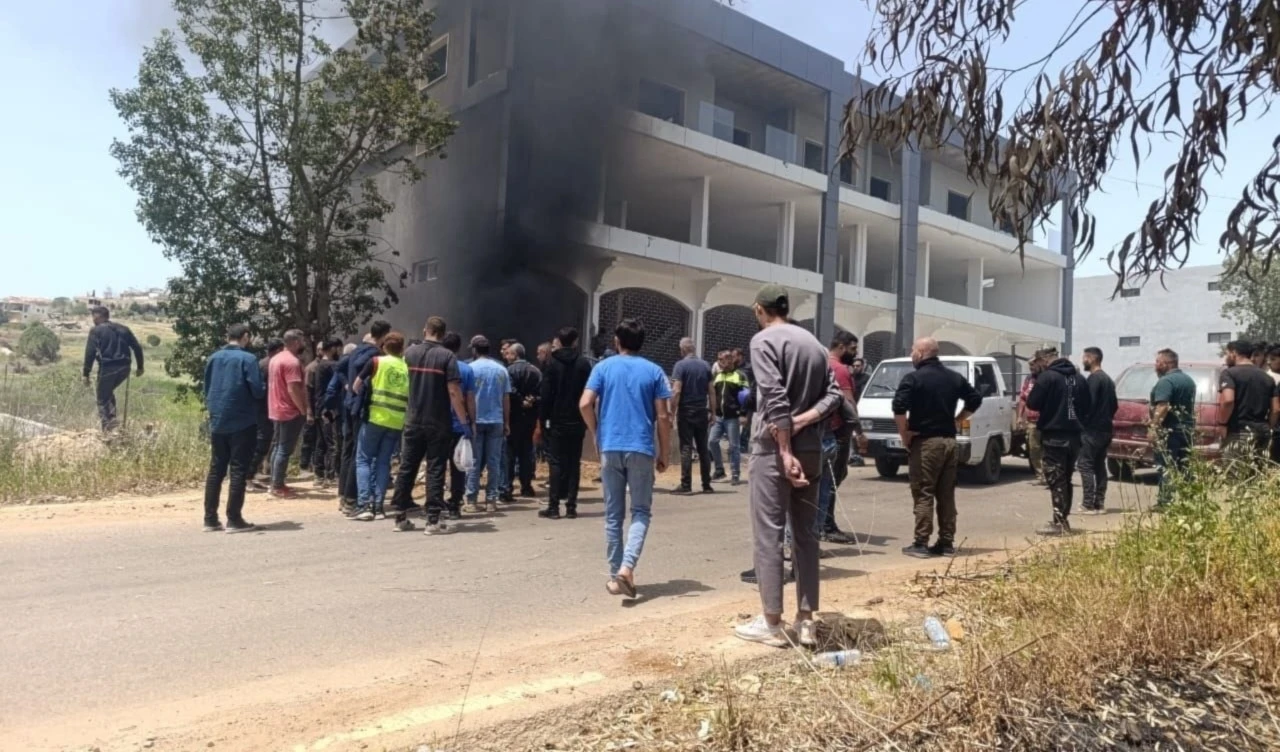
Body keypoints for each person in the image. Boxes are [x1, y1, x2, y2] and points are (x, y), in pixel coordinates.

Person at [734, 286, 843, 648]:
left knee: (768, 534)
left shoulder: (763, 341)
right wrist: (803, 421)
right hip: (812, 447)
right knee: (806, 535)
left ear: (759, 309)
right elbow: (833, 395)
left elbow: (773, 395)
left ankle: (772, 622)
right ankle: (807, 618)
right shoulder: (812, 342)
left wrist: (783, 447)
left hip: (773, 449)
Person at [581, 318, 672, 598]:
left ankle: (615, 574)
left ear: (617, 342)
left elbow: (585, 403)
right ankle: (627, 569)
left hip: (610, 446)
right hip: (641, 448)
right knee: (641, 512)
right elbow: (663, 416)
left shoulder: (603, 367)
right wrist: (664, 452)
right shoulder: (654, 371)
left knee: (613, 515)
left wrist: (597, 433)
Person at [891, 337, 983, 558]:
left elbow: (899, 408)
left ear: (922, 352)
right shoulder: (954, 378)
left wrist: (905, 435)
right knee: (946, 494)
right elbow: (975, 399)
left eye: (913, 350)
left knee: (924, 493)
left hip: (926, 444)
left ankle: (921, 543)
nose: (912, 354)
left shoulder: (913, 379)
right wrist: (958, 420)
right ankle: (946, 542)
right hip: (950, 443)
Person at [387, 318, 468, 534]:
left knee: (407, 466)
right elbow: (453, 391)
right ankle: (433, 520)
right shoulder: (447, 356)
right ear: (442, 333)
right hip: (438, 422)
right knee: (435, 468)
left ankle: (400, 516)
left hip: (412, 419)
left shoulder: (410, 354)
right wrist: (464, 421)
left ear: (426, 330)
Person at [201, 324, 266, 533]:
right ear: (245, 337)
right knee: (238, 470)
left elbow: (207, 387)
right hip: (242, 420)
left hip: (218, 420)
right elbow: (257, 389)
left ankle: (210, 519)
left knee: (216, 469)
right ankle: (234, 518)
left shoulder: (213, 358)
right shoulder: (248, 359)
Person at [1026, 346, 1092, 536]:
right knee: (1066, 479)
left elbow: (1033, 402)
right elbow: (1087, 406)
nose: (1037, 366)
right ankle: (1062, 520)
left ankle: (1060, 523)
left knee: (1056, 479)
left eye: (1038, 362)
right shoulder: (1078, 378)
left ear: (1045, 360)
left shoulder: (1048, 377)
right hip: (1074, 436)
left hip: (1054, 436)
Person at [330, 322, 390, 512]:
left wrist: (348, 385)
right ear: (384, 336)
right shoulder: (375, 356)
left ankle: (344, 496)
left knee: (349, 449)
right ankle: (351, 499)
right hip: (361, 408)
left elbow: (338, 368)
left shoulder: (356, 350)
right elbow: (365, 379)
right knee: (360, 453)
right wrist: (359, 389)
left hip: (349, 405)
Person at [349, 333, 409, 521]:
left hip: (375, 417)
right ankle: (379, 506)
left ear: (384, 347)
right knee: (384, 462)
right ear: (402, 348)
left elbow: (356, 386)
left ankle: (364, 505)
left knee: (363, 459)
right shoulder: (407, 366)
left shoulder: (376, 362)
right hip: (396, 421)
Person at [540, 327, 594, 519]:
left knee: (555, 463)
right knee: (574, 463)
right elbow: (590, 394)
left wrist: (543, 419)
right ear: (575, 341)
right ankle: (571, 506)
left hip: (556, 421)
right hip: (577, 421)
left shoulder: (552, 364)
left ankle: (553, 506)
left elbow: (545, 395)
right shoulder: (583, 364)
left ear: (559, 341)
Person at [817, 331, 862, 544]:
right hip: (838, 431)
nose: (855, 353)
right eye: (853, 349)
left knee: (825, 480)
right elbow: (849, 402)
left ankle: (822, 524)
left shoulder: (822, 364)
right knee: (832, 480)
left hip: (822, 429)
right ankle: (826, 525)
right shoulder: (840, 369)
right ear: (842, 347)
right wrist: (859, 432)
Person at [465, 336, 512, 514]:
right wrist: (507, 421)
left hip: (476, 420)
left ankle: (471, 500)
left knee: (474, 462)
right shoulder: (501, 370)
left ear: (475, 350)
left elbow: (467, 396)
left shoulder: (470, 369)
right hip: (496, 420)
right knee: (494, 461)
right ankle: (491, 500)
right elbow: (506, 398)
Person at [82, 306, 144, 432]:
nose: (92, 319)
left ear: (98, 316)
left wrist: (85, 373)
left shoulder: (96, 330)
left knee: (102, 398)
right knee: (107, 393)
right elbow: (137, 347)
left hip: (108, 367)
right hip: (125, 368)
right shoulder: (124, 329)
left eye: (93, 316)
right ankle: (113, 422)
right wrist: (140, 367)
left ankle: (108, 430)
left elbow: (90, 353)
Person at [1149, 349, 1197, 508]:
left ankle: (1165, 502)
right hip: (1187, 430)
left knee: (1166, 466)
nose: (1155, 365)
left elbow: (1163, 406)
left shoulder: (1165, 381)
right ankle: (1189, 500)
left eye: (1157, 362)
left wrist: (1153, 428)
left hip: (1170, 430)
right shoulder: (1188, 380)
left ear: (1166, 363)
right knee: (1185, 466)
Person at [267, 330, 310, 499]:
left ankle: (275, 483)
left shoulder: (275, 359)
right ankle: (277, 486)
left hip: (276, 409)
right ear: (296, 342)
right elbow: (293, 388)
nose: (304, 344)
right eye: (302, 340)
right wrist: (302, 409)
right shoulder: (292, 362)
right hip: (289, 410)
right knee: (284, 450)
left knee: (278, 447)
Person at [1218, 340, 1273, 464]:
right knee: (1256, 475)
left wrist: (1222, 424)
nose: (1226, 357)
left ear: (1234, 353)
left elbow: (1228, 400)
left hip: (1239, 431)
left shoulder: (1229, 373)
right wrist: (1269, 426)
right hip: (1262, 431)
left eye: (1227, 353)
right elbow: (1276, 409)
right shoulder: (1267, 377)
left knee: (1233, 475)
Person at [671, 337, 714, 494]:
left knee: (686, 448)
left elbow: (676, 391)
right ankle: (706, 485)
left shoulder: (680, 366)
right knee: (703, 448)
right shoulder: (705, 366)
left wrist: (671, 413)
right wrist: (714, 412)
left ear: (682, 350)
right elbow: (712, 391)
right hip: (702, 411)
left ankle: (686, 485)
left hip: (686, 411)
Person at [1078, 346, 1118, 514]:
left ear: (1092, 359)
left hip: (1092, 430)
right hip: (1106, 429)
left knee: (1085, 465)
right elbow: (1114, 405)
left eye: (1084, 358)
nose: (1082, 361)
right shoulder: (1108, 380)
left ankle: (1088, 504)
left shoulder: (1094, 379)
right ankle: (1099, 504)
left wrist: (1083, 421)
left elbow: (1088, 404)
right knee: (1099, 466)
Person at [442, 331, 476, 518]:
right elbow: (469, 399)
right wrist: (471, 422)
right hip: (459, 425)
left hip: (439, 424)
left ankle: (436, 503)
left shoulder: (437, 366)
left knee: (437, 465)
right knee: (458, 467)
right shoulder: (466, 369)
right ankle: (455, 504)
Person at [504, 343, 542, 500]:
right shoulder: (536, 371)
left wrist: (520, 401)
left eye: (508, 354)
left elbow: (509, 391)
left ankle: (507, 488)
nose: (506, 357)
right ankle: (526, 486)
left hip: (513, 417)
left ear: (515, 355)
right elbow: (541, 392)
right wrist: (531, 400)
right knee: (526, 452)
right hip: (529, 418)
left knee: (509, 453)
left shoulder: (509, 371)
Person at [306, 338, 343, 485]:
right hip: (330, 409)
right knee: (332, 443)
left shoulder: (318, 365)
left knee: (321, 442)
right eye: (338, 348)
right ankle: (331, 476)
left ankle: (319, 474)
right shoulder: (332, 366)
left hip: (319, 407)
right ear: (333, 349)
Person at [708, 350, 748, 485]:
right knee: (712, 441)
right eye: (718, 360)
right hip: (718, 416)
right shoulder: (718, 376)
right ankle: (719, 470)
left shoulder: (740, 375)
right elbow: (713, 396)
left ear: (729, 360)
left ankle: (735, 473)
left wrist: (743, 414)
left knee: (734, 446)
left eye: (721, 360)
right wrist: (711, 412)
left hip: (732, 417)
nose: (719, 363)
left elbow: (746, 396)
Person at [250, 338, 284, 490]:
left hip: (263, 408)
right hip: (264, 409)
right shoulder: (268, 365)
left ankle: (251, 474)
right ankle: (248, 475)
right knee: (263, 441)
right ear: (277, 351)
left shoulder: (264, 363)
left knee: (264, 440)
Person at [1018, 355, 1046, 485]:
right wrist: (1020, 416)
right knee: (1033, 449)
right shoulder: (1028, 379)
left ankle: (1048, 475)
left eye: (1033, 365)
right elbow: (1023, 398)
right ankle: (1041, 475)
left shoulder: (1046, 378)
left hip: (1046, 421)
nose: (1031, 368)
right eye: (1030, 366)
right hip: (1031, 421)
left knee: (1046, 449)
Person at [848, 358, 869, 466]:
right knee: (852, 434)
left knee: (859, 434)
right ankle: (853, 456)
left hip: (863, 407)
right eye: (854, 366)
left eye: (858, 366)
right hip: (852, 407)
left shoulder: (867, 379)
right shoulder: (850, 378)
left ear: (863, 366)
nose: (856, 368)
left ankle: (858, 457)